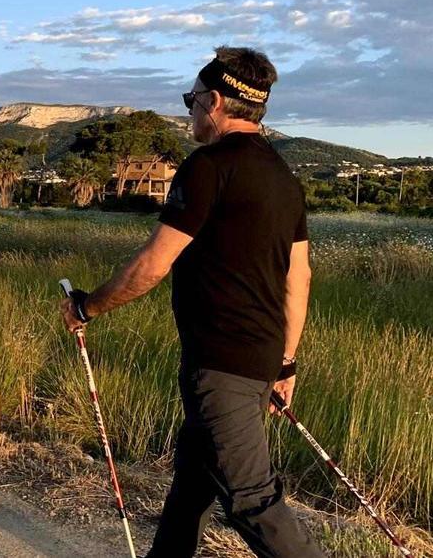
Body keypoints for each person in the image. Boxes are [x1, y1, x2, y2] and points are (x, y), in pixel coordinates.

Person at [60, 47, 322, 557]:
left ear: (215, 101)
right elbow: (300, 277)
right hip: (260, 360)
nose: (189, 110)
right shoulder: (284, 178)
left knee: (252, 502)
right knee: (194, 485)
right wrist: (286, 361)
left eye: (191, 99)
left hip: (221, 365)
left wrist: (87, 307)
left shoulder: (207, 167)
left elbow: (152, 266)